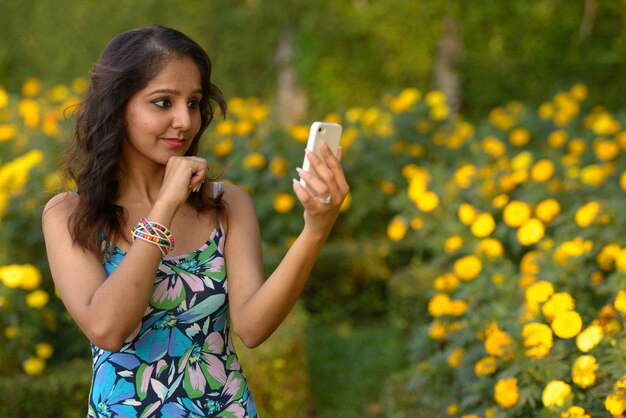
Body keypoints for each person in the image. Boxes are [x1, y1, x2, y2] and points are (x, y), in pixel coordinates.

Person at [42, 25, 349, 418]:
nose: (184, 121)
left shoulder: (228, 204)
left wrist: (316, 228)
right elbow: (107, 329)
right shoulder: (70, 214)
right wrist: (166, 204)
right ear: (119, 106)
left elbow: (253, 329)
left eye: (193, 102)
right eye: (162, 102)